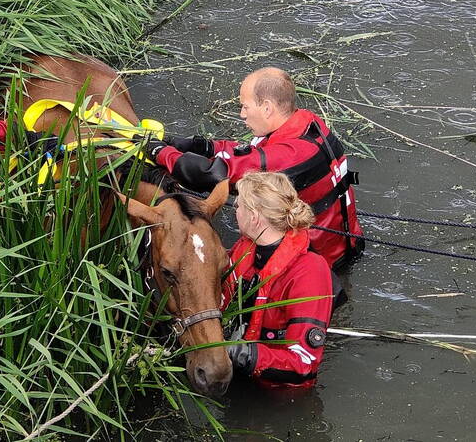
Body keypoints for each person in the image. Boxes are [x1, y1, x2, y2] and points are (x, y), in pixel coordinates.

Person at [144, 67, 363, 269]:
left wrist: (157, 152)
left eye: (245, 106)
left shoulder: (290, 156)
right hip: (342, 242)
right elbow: (248, 154)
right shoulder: (305, 123)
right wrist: (198, 145)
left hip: (317, 260)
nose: (242, 114)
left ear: (267, 108)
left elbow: (210, 174)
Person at [221, 172, 333, 387]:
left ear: (253, 216)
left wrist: (239, 353)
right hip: (237, 367)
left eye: (239, 206)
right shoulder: (246, 248)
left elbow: (303, 362)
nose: (235, 211)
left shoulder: (310, 272)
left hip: (278, 392)